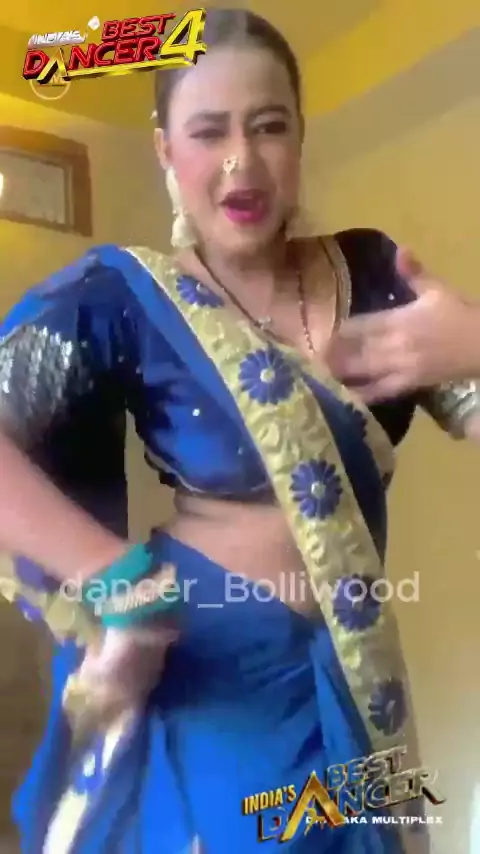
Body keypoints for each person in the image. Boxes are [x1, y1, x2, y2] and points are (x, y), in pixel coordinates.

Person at [0, 8, 478, 853]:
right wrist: (109, 575)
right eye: (208, 131)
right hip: (214, 682)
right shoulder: (124, 297)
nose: (240, 162)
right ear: (164, 151)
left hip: (362, 681)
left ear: (300, 135)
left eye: (268, 126)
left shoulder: (374, 271)